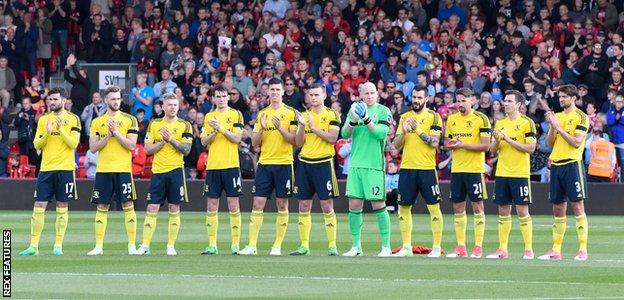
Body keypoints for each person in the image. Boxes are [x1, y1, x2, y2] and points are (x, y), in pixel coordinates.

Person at [238, 78, 298, 256]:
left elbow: (295, 141)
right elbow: (255, 144)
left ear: (283, 91)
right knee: (257, 203)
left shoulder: (291, 113)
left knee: (282, 204)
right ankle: (252, 245)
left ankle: (277, 245)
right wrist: (263, 129)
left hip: (284, 164)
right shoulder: (262, 114)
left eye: (278, 90)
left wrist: (280, 128)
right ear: (268, 92)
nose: (275, 93)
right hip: (264, 164)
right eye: (272, 90)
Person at [19, 88, 81, 256]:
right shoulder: (43, 120)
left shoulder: (73, 119)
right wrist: (47, 133)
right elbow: (37, 144)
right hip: (46, 169)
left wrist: (60, 129)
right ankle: (33, 246)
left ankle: (58, 245)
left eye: (55, 99)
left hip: (65, 169)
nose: (51, 102)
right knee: (39, 206)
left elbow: (74, 144)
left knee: (62, 206)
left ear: (64, 100)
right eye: (50, 100)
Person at [340, 82, 393, 257]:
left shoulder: (384, 111)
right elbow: (345, 134)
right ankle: (356, 247)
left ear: (377, 94)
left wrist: (367, 120)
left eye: (372, 93)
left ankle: (386, 246)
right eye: (366, 93)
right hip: (355, 165)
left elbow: (380, 134)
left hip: (373, 165)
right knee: (354, 205)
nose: (369, 96)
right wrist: (354, 121)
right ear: (360, 94)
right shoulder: (354, 109)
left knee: (378, 204)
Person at [136, 93, 193, 256]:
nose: (172, 108)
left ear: (179, 106)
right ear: (163, 107)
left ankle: (171, 246)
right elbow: (147, 149)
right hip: (158, 171)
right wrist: (162, 141)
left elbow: (187, 150)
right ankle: (145, 245)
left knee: (174, 207)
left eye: (175, 105)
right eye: (169, 105)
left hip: (176, 171)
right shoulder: (154, 125)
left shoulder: (185, 125)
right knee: (152, 207)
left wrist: (172, 140)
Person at [86, 86, 140, 256]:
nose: (116, 102)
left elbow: (132, 146)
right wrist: (107, 136)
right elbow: (93, 148)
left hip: (123, 170)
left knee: (128, 205)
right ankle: (99, 246)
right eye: (113, 99)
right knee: (102, 206)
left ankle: (132, 245)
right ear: (105, 101)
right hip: (104, 170)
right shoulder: (97, 122)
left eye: (118, 99)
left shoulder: (130, 120)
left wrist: (115, 132)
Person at [391, 86, 444, 257]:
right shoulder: (405, 117)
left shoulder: (434, 117)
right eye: (414, 97)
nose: (416, 100)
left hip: (427, 169)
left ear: (426, 99)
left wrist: (418, 130)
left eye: (419, 97)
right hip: (407, 168)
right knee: (403, 208)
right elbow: (395, 147)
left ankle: (436, 247)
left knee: (434, 208)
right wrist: (405, 131)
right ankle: (406, 247)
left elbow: (434, 143)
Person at [539, 85, 590, 261]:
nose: (561, 100)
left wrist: (558, 127)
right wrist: (553, 127)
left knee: (577, 206)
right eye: (560, 97)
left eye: (564, 97)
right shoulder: (558, 116)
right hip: (556, 165)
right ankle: (556, 249)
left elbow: (576, 142)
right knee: (558, 208)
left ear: (573, 98)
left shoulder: (581, 117)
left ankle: (583, 249)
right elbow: (549, 143)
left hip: (572, 165)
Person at [290, 83, 340, 256]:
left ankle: (332, 245)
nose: (313, 98)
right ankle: (304, 246)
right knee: (303, 204)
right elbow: (297, 143)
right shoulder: (303, 116)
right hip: (305, 164)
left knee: (327, 204)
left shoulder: (332, 114)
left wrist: (313, 128)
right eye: (311, 95)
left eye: (317, 95)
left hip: (324, 163)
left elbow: (333, 138)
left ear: (324, 96)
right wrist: (303, 126)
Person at [487, 90, 537, 259]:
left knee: (522, 210)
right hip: (502, 172)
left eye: (509, 101)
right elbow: (492, 151)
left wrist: (508, 140)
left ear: (518, 105)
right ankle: (502, 249)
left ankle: (529, 249)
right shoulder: (500, 123)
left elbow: (531, 148)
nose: (505, 103)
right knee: (503, 210)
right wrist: (497, 141)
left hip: (520, 172)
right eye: (505, 101)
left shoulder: (527, 123)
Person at [444, 88, 491, 258]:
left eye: (464, 100)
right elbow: (446, 142)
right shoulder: (452, 119)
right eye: (459, 100)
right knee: (458, 207)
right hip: (457, 170)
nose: (460, 104)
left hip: (474, 170)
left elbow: (486, 146)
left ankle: (478, 246)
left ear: (472, 100)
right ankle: (461, 246)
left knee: (477, 206)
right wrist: (450, 143)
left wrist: (462, 145)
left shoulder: (481, 119)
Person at [199, 85, 244, 255]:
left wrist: (221, 128)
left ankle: (235, 244)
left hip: (231, 165)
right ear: (213, 98)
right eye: (218, 96)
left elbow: (237, 138)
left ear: (228, 97)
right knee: (211, 205)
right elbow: (204, 142)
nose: (221, 99)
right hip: (213, 166)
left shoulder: (235, 114)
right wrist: (213, 133)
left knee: (233, 205)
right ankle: (212, 244)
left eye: (224, 96)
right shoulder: (209, 117)